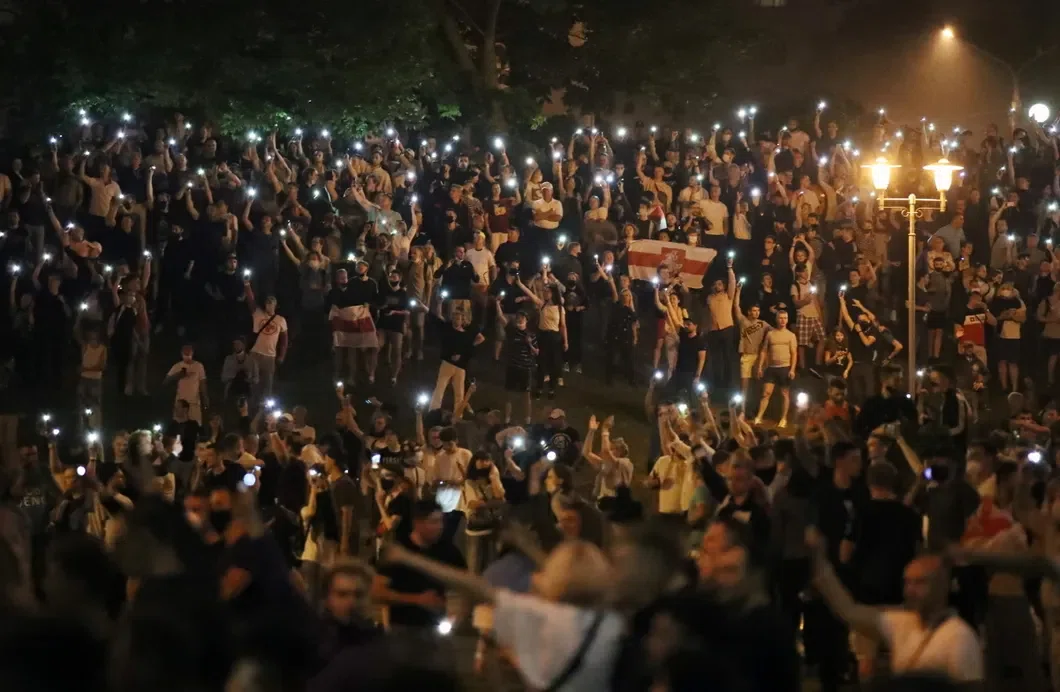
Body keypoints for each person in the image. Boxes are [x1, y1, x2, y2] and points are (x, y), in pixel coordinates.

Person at [809, 531, 984, 684]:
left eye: (920, 582)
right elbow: (849, 612)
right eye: (907, 582)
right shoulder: (902, 623)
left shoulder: (959, 637)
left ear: (941, 586)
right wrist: (819, 561)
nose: (910, 591)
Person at [373, 499, 465, 630]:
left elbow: (466, 585)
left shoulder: (448, 551)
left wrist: (456, 615)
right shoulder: (396, 551)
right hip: (403, 629)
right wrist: (417, 599)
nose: (440, 526)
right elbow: (377, 592)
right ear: (418, 524)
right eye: (434, 521)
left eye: (441, 521)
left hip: (436, 630)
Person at [754, 310, 798, 428]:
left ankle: (783, 419)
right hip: (771, 368)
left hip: (785, 368)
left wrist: (792, 369)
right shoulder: (770, 334)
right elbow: (764, 351)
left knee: (784, 394)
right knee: (766, 393)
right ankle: (759, 417)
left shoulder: (791, 335)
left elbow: (794, 353)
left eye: (785, 318)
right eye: (781, 318)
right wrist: (760, 367)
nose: (783, 320)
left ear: (787, 320)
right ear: (776, 319)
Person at [164, 344, 208, 424]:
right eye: (185, 354)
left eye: (188, 354)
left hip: (194, 402)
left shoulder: (199, 366)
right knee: (179, 425)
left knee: (195, 425)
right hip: (180, 403)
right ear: (181, 354)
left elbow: (202, 383)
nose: (187, 356)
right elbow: (166, 381)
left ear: (192, 353)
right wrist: (177, 375)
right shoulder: (177, 366)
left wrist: (205, 397)